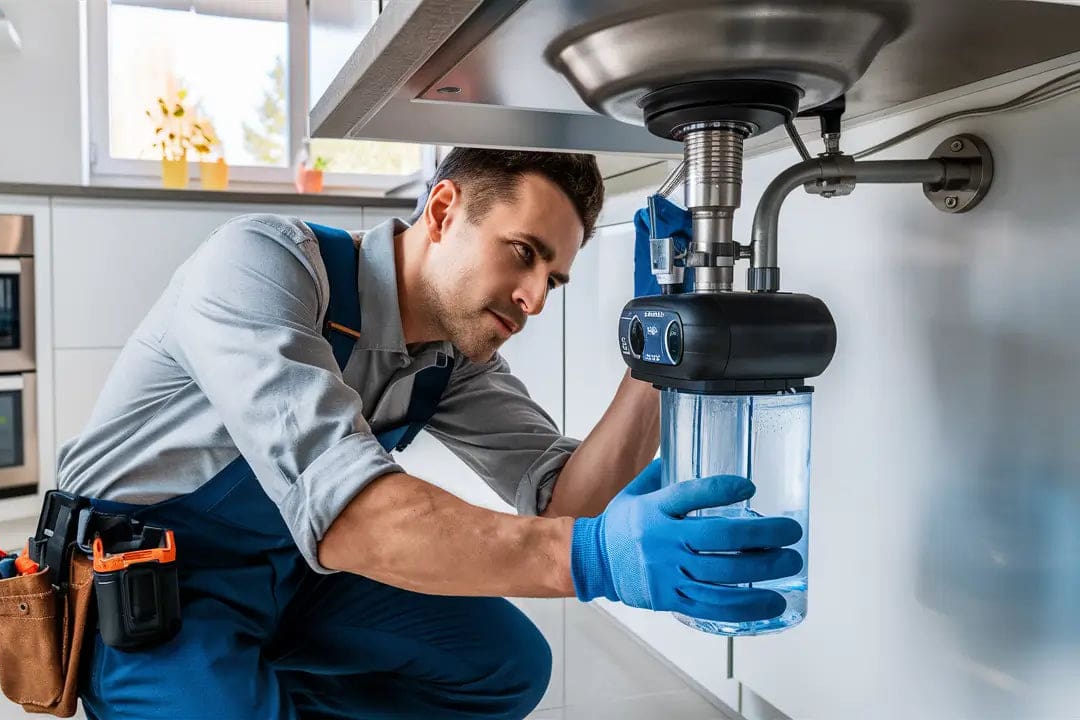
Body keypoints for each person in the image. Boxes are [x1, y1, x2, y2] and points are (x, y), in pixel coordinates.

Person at [57, 147, 803, 719]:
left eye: (556, 279)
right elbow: (351, 521)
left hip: (292, 574)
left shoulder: (451, 358)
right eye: (524, 253)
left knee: (505, 666)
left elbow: (567, 506)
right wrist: (593, 558)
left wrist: (656, 346)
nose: (536, 297)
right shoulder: (264, 264)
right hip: (153, 587)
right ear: (443, 211)